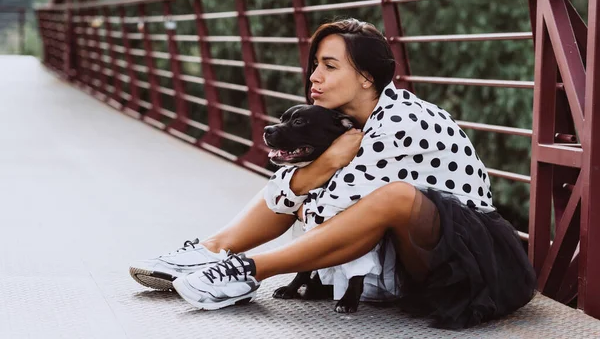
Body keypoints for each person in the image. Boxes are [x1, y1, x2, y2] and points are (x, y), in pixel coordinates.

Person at [130, 18, 536, 328]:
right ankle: (212, 250)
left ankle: (247, 271)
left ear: (366, 77)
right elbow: (303, 200)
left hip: (472, 266)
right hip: (418, 253)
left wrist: (319, 177)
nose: (314, 77)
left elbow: (323, 216)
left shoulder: (400, 121)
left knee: (396, 196)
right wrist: (325, 164)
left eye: (329, 66)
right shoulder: (345, 123)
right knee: (309, 176)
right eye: (314, 66)